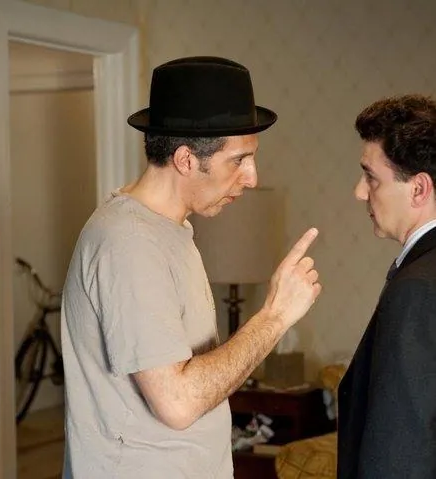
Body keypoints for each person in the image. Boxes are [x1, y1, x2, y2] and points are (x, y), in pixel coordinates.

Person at [60, 56, 321, 478]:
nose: (252, 178)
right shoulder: (130, 243)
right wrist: (274, 317)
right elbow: (177, 403)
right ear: (185, 160)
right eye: (238, 160)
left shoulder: (167, 229)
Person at [337, 94, 436, 479]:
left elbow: (401, 449)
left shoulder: (417, 290)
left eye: (371, 177)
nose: (359, 192)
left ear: (419, 189)